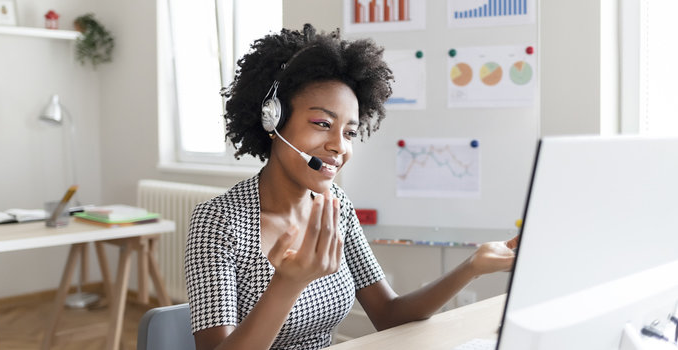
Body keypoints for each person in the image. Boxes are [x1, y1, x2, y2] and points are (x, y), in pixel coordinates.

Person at [185, 23, 518, 350]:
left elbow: (388, 313)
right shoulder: (218, 222)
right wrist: (288, 283)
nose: (339, 146)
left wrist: (472, 266)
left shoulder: (335, 205)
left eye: (349, 133)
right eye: (322, 124)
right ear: (273, 120)